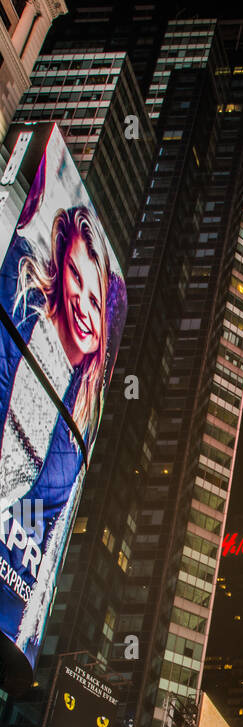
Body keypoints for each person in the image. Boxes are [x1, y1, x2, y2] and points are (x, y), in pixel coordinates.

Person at [0, 197, 117, 661]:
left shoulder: (83, 414)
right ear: (58, 265)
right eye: (75, 276)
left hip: (13, 607)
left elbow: (50, 529)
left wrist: (27, 633)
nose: (85, 308)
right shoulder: (19, 316)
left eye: (96, 298)